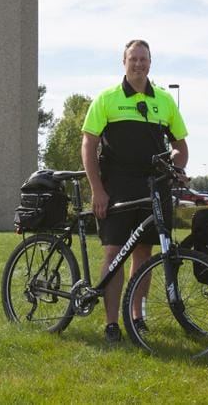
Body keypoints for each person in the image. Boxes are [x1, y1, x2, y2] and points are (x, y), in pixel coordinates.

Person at [81, 39, 189, 343]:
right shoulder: (107, 99)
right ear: (124, 62)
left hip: (155, 188)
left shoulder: (165, 101)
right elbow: (89, 144)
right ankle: (112, 322)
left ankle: (137, 316)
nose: (138, 64)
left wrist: (176, 167)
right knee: (114, 253)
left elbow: (180, 146)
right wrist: (97, 189)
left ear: (150, 63)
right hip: (116, 187)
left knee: (144, 255)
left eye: (144, 59)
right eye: (133, 59)